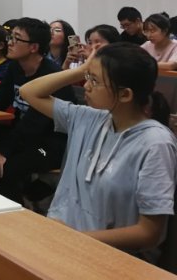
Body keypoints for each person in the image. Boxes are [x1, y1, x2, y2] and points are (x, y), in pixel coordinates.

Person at [19, 43, 176, 261]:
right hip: (59, 238)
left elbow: (149, 233)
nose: (86, 85)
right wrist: (83, 69)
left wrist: (75, 239)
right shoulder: (89, 117)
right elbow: (28, 92)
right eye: (87, 77)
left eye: (94, 81)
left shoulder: (155, 144)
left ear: (125, 94)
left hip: (109, 257)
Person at [0, 17, 75, 203]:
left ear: (33, 47)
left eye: (16, 38)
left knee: (5, 169)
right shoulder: (15, 67)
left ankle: (21, 208)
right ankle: (0, 201)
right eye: (10, 37)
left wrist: (3, 152)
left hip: (50, 144)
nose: (10, 43)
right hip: (23, 138)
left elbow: (34, 124)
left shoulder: (51, 75)